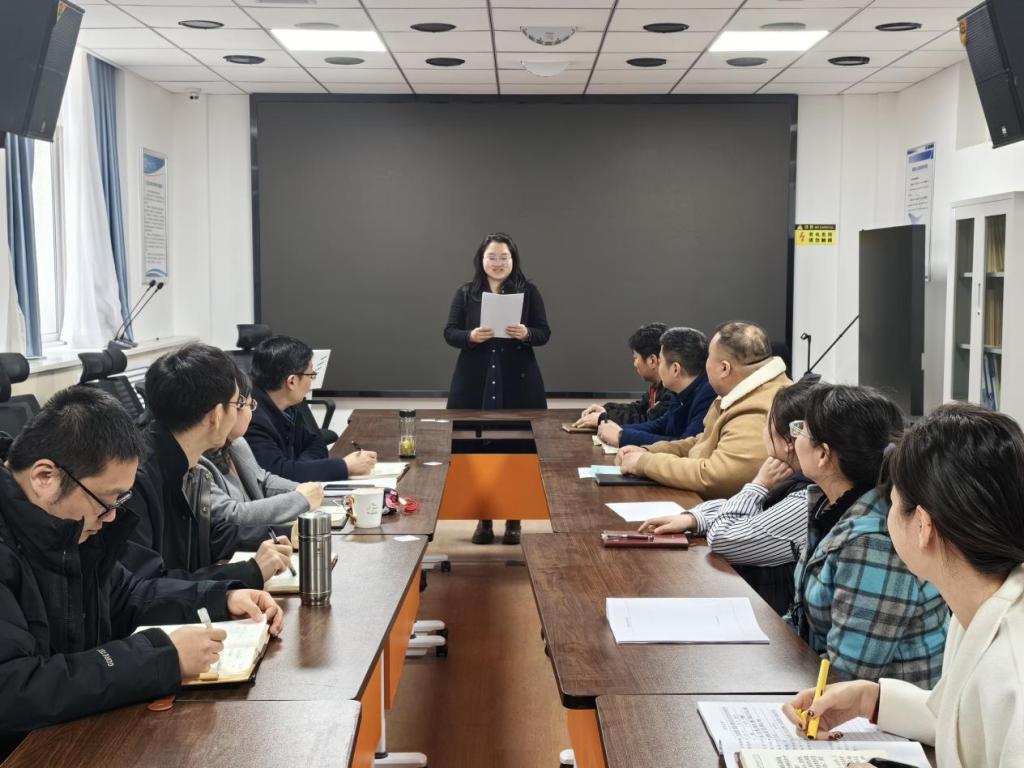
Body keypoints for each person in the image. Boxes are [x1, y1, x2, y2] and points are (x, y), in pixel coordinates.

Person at [0, 387, 283, 757]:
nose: (111, 516)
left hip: (72, 735)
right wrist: (161, 656)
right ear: (44, 477)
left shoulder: (66, 525)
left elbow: (127, 595)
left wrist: (221, 598)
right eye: (106, 500)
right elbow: (13, 688)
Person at [783, 404, 1024, 767]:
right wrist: (869, 700)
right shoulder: (982, 601)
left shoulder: (1013, 666)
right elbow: (960, 721)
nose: (885, 517)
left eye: (892, 504)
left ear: (923, 526)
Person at [789, 384, 947, 686]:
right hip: (828, 684)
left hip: (887, 710)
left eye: (801, 429)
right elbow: (800, 617)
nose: (794, 436)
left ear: (823, 454)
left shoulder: (872, 542)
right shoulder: (832, 506)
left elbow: (849, 674)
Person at [123, 343, 295, 590]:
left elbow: (211, 536)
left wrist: (286, 533)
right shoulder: (136, 479)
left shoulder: (183, 461)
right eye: (237, 404)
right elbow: (145, 586)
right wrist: (249, 571)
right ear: (215, 416)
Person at [638, 379, 817, 614]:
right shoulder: (791, 478)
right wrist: (695, 518)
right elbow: (757, 513)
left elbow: (724, 537)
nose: (762, 433)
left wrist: (758, 485)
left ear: (789, 443)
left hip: (771, 618)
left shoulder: (807, 498)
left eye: (766, 424)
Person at [443, 232, 551, 545]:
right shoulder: (467, 293)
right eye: (492, 257)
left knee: (516, 453)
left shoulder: (528, 292)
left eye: (504, 257)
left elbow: (544, 332)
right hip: (474, 382)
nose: (498, 263)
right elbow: (449, 332)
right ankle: (484, 520)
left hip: (517, 382)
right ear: (481, 259)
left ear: (513, 260)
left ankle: (514, 519)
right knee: (477, 454)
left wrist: (526, 333)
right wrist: (470, 336)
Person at [615, 321, 790, 500]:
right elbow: (703, 442)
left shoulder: (758, 409)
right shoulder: (742, 393)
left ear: (724, 368)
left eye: (708, 358)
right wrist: (648, 451)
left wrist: (645, 463)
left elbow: (715, 477)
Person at [200, 368, 324, 527]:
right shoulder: (198, 461)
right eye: (250, 405)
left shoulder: (236, 443)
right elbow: (230, 515)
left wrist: (302, 489)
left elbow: (261, 480)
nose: (253, 413)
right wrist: (300, 499)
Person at [245, 335, 376, 482]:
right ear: (292, 381)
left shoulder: (289, 406)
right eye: (311, 375)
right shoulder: (250, 418)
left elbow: (316, 442)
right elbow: (277, 476)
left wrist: (301, 468)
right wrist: (345, 466)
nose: (311, 382)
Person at [594, 326, 715, 448]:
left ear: (675, 369)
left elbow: (684, 445)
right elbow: (661, 425)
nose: (658, 367)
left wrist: (622, 437)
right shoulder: (682, 392)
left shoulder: (707, 397)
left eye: (660, 361)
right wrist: (618, 430)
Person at [573, 322, 671, 429]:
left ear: (652, 361)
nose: (634, 364)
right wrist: (607, 410)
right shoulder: (656, 386)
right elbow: (639, 409)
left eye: (635, 358)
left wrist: (604, 418)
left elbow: (648, 422)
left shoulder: (672, 391)